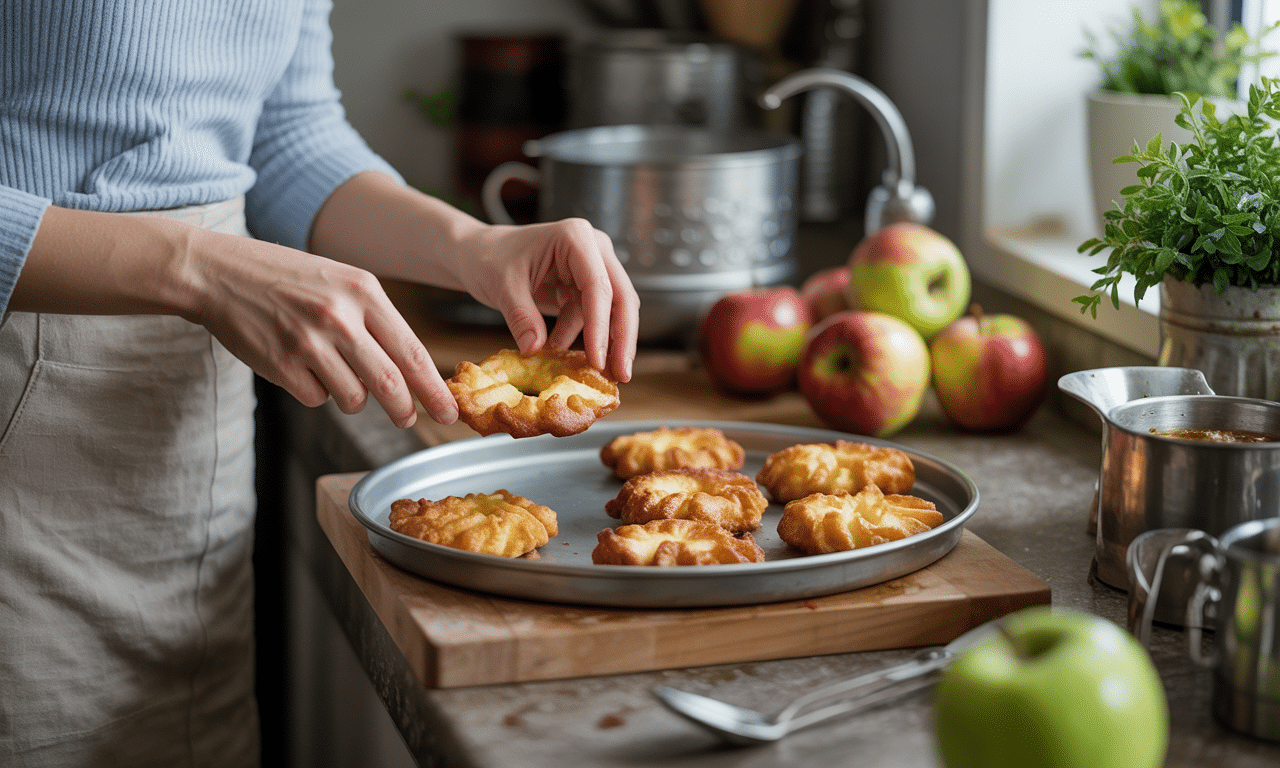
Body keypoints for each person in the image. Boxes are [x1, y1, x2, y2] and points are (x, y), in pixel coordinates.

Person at [0, 1, 639, 766]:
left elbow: (286, 133)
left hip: (187, 409)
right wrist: (195, 266)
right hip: (24, 382)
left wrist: (471, 245)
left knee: (178, 730)